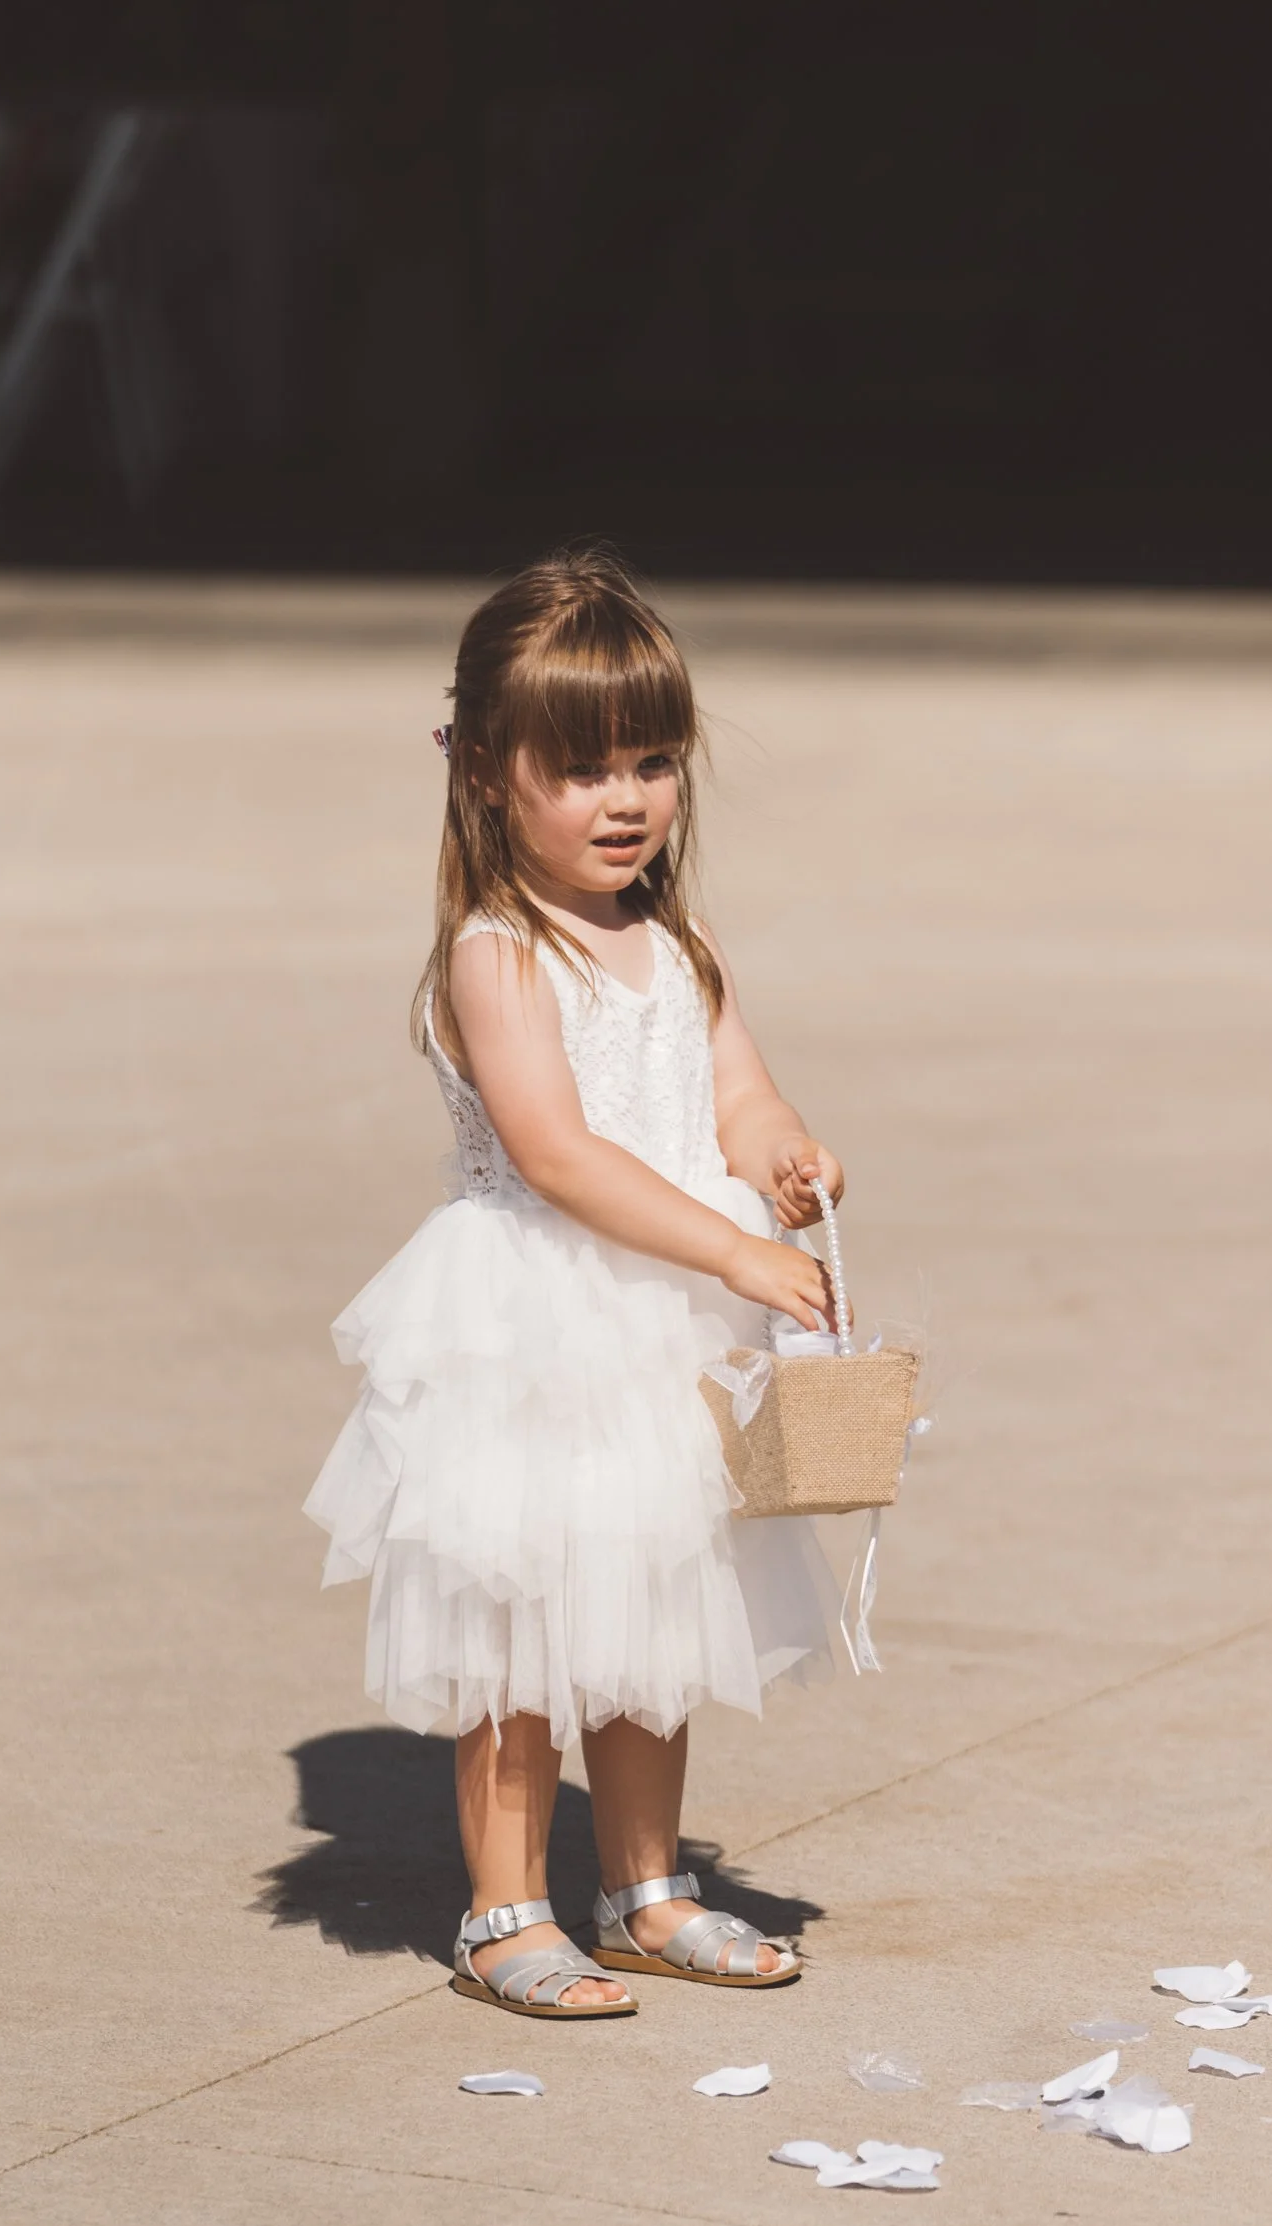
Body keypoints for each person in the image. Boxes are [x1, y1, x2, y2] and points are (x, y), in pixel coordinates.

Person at [306, 547, 846, 2017]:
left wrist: (786, 1161)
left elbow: (736, 1098)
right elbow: (556, 1153)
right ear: (488, 771)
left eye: (654, 764)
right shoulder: (500, 953)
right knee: (523, 1621)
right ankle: (501, 1908)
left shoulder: (674, 943)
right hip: (537, 1327)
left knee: (650, 1612)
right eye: (584, 768)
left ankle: (647, 1885)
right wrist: (736, 1244)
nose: (627, 800)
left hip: (661, 1328)